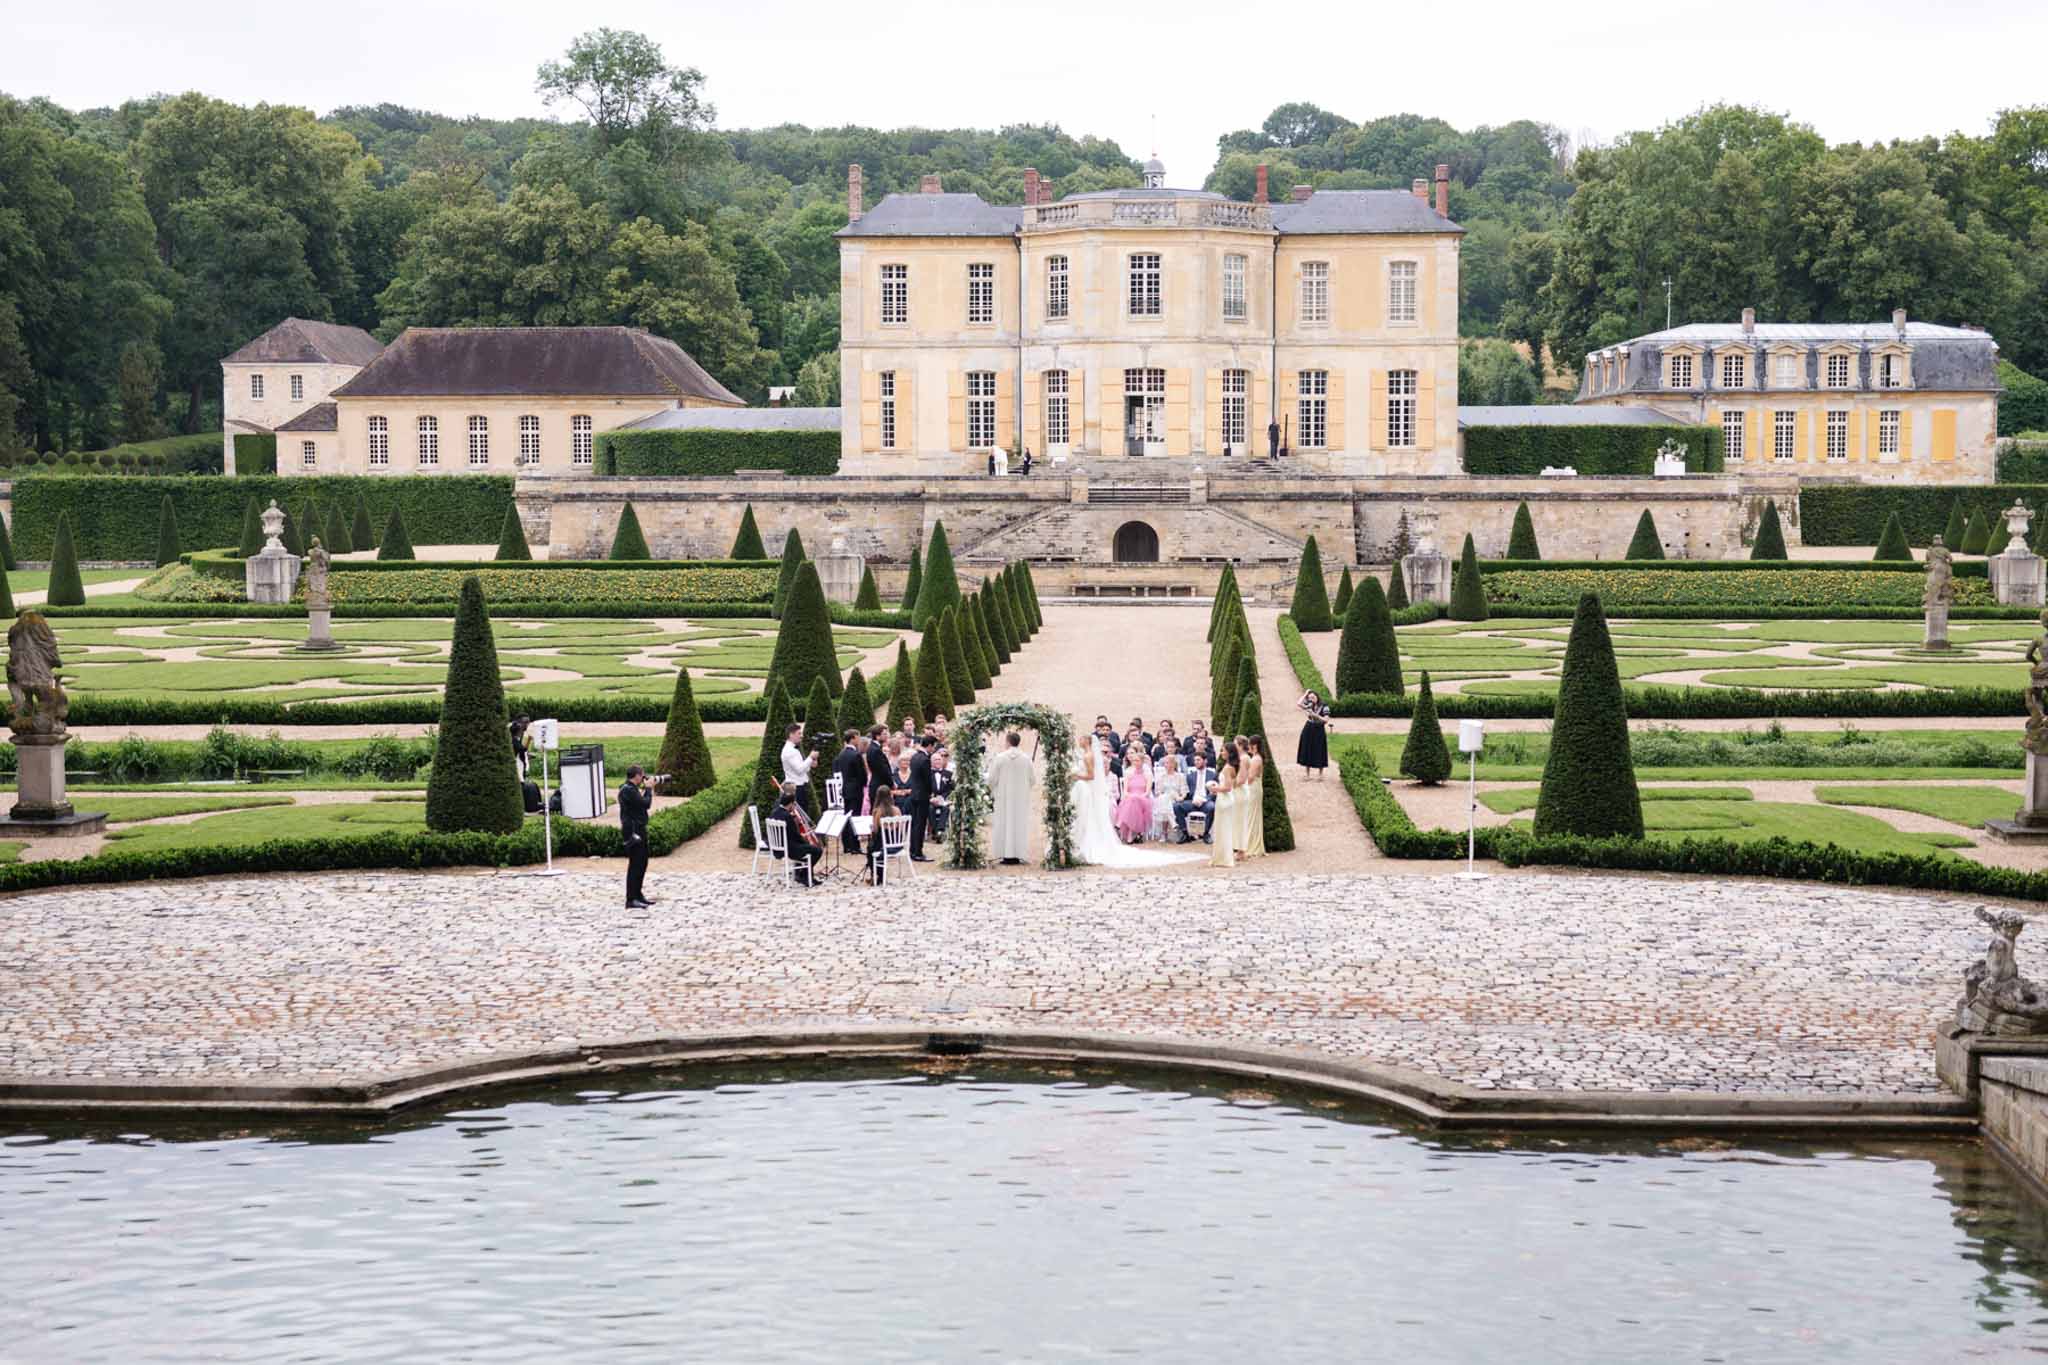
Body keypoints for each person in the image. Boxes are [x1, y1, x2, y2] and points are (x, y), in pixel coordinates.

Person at [987, 730, 1035, 865]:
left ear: (1008, 742)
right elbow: (1032, 780)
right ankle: (1018, 853)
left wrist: (993, 790)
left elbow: (991, 779)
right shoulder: (1026, 759)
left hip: (1003, 797)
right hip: (1020, 798)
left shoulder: (1000, 757)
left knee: (1003, 823)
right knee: (1019, 824)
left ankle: (1005, 854)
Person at [766, 782, 824, 887]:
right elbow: (795, 836)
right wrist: (806, 842)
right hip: (789, 849)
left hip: (778, 847)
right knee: (817, 851)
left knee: (807, 849)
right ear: (791, 804)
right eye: (793, 804)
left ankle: (802, 874)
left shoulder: (774, 813)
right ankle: (804, 876)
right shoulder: (787, 816)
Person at [618, 764, 654, 908]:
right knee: (636, 864)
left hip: (638, 829)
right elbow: (646, 804)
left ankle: (638, 894)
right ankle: (631, 898)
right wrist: (649, 789)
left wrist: (646, 790)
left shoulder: (631, 789)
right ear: (638, 776)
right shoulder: (628, 790)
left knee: (642, 862)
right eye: (642, 775)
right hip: (633, 832)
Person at [831, 730, 869, 854]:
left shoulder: (841, 754)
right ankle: (854, 846)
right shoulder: (855, 755)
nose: (859, 740)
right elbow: (861, 773)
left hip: (845, 789)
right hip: (855, 789)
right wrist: (863, 783)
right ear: (853, 738)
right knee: (855, 817)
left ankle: (847, 844)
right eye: (857, 737)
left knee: (847, 816)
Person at [1175, 752, 1219, 843]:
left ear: (1205, 761)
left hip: (1206, 801)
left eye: (1198, 760)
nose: (1196, 762)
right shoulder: (1190, 776)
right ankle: (1185, 833)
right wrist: (1183, 797)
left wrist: (1204, 799)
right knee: (1176, 806)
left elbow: (1215, 792)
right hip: (1193, 801)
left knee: (1212, 807)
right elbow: (1187, 791)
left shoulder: (1213, 775)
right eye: (1195, 760)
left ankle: (1205, 834)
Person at [1209, 743, 1241, 869]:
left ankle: (1224, 857)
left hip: (1225, 800)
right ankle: (1222, 856)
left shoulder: (1228, 768)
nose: (1221, 753)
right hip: (1227, 798)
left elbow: (1227, 787)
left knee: (1224, 828)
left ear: (1229, 753)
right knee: (1224, 828)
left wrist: (1214, 788)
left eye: (1223, 751)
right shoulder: (1231, 766)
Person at [1115, 744, 1153, 842]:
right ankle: (1130, 835)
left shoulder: (1147, 773)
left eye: (1137, 761)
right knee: (1132, 802)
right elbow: (1125, 790)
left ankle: (1119, 824)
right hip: (1130, 797)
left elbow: (1147, 792)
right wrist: (1130, 795)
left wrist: (1138, 796)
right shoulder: (1128, 772)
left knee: (1134, 801)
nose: (1135, 763)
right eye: (1134, 761)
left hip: (1143, 798)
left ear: (1142, 761)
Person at [907, 736, 936, 862]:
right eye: (933, 746)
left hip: (914, 794)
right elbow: (927, 779)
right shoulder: (924, 759)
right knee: (920, 824)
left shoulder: (914, 757)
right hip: (922, 795)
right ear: (929, 745)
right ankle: (917, 852)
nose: (933, 749)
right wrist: (931, 792)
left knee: (915, 824)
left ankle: (913, 850)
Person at [780, 722, 817, 813]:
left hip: (799, 787)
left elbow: (805, 769)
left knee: (804, 813)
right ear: (791, 735)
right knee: (800, 816)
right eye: (799, 733)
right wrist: (810, 757)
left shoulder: (793, 750)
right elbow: (800, 770)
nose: (802, 736)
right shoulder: (789, 751)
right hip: (796, 789)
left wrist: (812, 761)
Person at [1241, 735, 1268, 859]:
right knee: (1251, 816)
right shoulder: (1256, 757)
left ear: (1255, 745)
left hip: (1253, 788)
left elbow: (1251, 777)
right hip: (1254, 788)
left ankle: (1252, 846)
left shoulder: (1256, 759)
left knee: (1252, 817)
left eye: (1251, 745)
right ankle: (1251, 844)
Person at [1296, 691, 1332, 779]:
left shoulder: (1324, 706)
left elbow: (1326, 720)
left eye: (1313, 697)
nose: (1311, 699)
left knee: (1320, 749)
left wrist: (1315, 715)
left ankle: (1320, 774)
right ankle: (1307, 774)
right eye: (1310, 698)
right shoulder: (1309, 705)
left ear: (1317, 696)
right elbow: (1299, 703)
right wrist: (1306, 693)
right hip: (1309, 728)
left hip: (1319, 729)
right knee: (1307, 749)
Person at [929, 746, 954, 839]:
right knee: (930, 809)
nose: (938, 761)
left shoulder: (948, 774)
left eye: (939, 759)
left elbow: (950, 789)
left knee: (945, 809)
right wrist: (931, 798)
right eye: (935, 759)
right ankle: (935, 831)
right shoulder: (927, 774)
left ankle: (940, 831)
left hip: (943, 800)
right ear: (931, 761)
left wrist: (942, 797)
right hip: (931, 800)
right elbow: (925, 788)